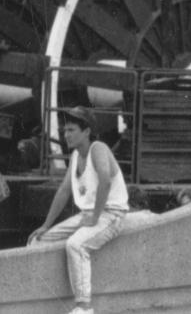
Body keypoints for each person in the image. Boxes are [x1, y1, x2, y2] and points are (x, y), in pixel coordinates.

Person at [28, 107, 128, 314]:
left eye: (72, 130)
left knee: (76, 245)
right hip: (88, 214)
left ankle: (84, 307)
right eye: (65, 131)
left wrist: (95, 218)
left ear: (87, 131)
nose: (66, 135)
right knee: (38, 240)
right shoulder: (75, 155)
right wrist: (45, 225)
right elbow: (64, 191)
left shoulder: (98, 148)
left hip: (112, 214)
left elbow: (105, 182)